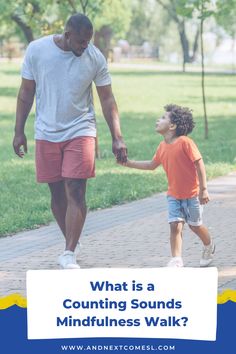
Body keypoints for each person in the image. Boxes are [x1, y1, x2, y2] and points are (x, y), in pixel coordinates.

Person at [13, 13, 127, 269]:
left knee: (75, 188)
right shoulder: (37, 50)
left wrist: (117, 137)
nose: (85, 46)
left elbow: (108, 99)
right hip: (46, 131)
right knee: (56, 194)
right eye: (80, 42)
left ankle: (68, 252)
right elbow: (26, 93)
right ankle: (72, 240)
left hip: (80, 128)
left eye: (88, 41)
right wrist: (18, 131)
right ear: (67, 35)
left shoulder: (94, 57)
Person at [119, 104, 215, 267]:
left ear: (172, 126)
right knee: (175, 226)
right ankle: (176, 260)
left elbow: (199, 164)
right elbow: (151, 165)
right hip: (173, 195)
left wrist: (203, 190)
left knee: (195, 226)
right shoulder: (162, 147)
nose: (158, 119)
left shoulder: (185, 142)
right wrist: (128, 163)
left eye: (163, 118)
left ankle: (208, 246)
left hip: (192, 195)